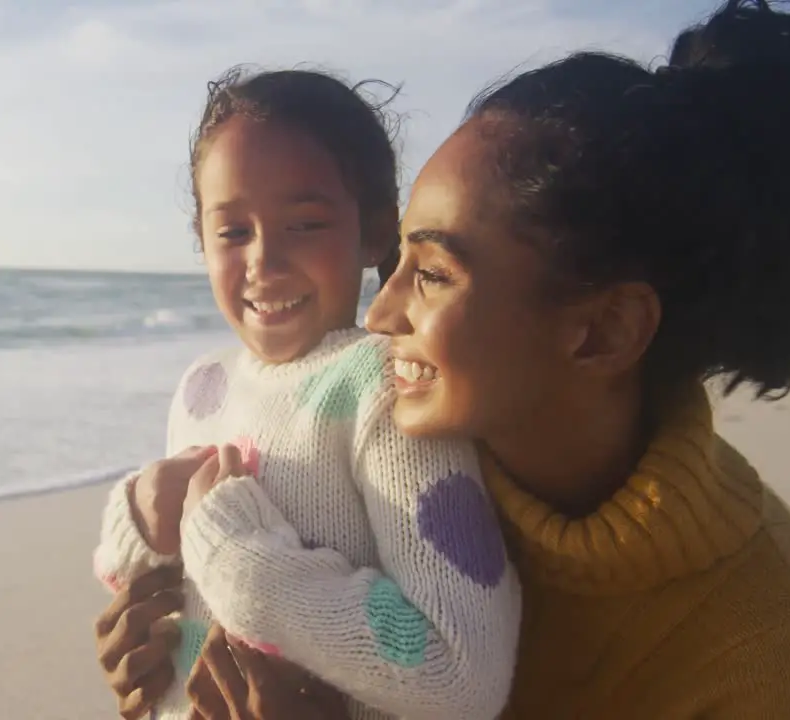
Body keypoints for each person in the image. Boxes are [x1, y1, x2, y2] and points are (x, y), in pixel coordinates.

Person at [94, 1, 790, 717]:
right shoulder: (392, 465)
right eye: (397, 263)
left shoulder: (778, 647)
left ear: (602, 332)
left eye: (431, 273)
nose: (382, 312)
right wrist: (172, 641)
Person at [91, 67, 522, 720]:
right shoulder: (203, 386)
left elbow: (463, 673)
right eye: (233, 231)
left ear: (376, 229)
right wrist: (140, 517)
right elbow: (151, 596)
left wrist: (239, 559)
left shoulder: (386, 385)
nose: (263, 260)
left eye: (305, 223)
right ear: (201, 240)